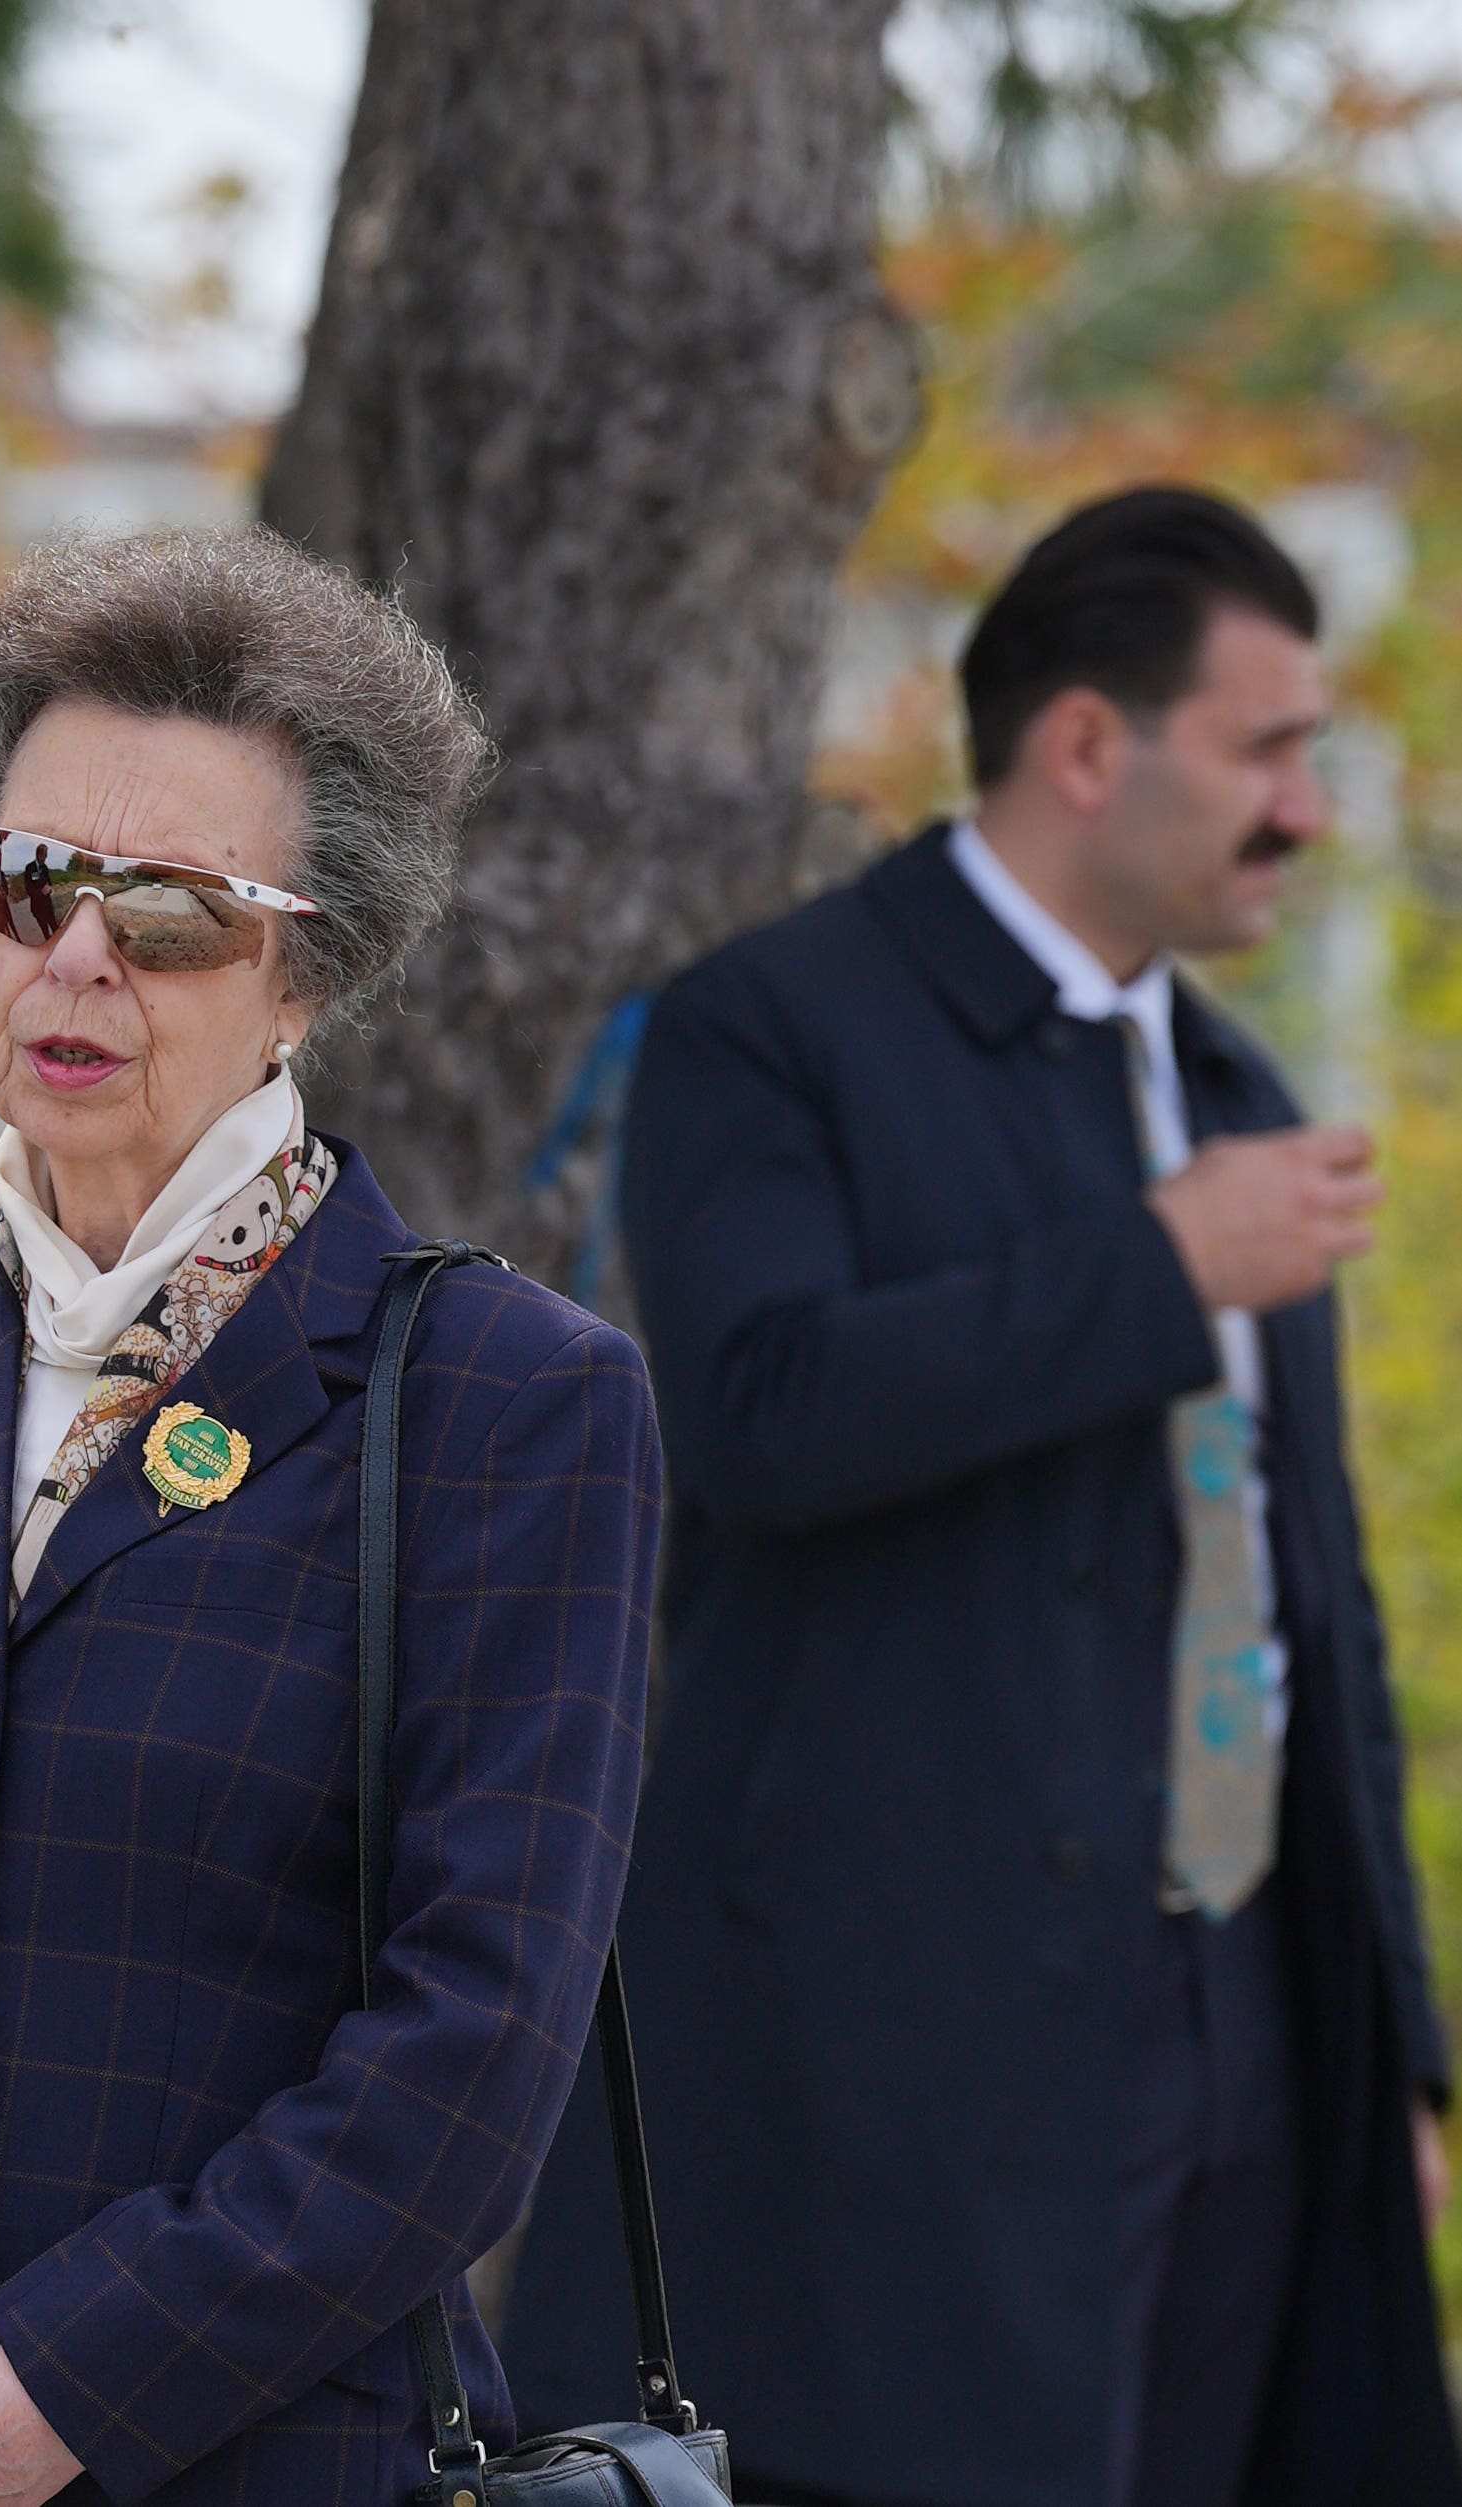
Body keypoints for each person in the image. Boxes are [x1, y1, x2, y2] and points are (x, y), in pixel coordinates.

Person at [0, 527, 665, 2505]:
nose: (74, 957)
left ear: (307, 968)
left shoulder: (517, 1401)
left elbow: (471, 2067)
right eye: (26, 883)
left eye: (170, 912)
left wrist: (67, 2396)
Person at [501, 487, 1458, 2507]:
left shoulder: (1242, 1086)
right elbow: (758, 1417)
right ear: (1091, 745)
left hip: (1247, 2035)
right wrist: (1159, 1264)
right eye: (1269, 751)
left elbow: (1313, 1593)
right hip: (895, 2063)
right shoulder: (769, 1032)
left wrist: (1391, 2048)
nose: (1307, 810)